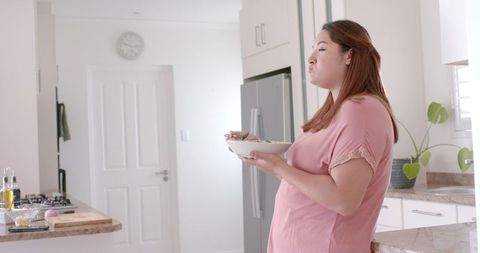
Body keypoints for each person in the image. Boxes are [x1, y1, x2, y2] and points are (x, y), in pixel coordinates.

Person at [226, 20, 398, 253]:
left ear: (349, 56)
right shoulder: (336, 111)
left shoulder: (362, 110)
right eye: (313, 49)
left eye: (322, 48)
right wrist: (261, 150)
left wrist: (279, 168)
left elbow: (344, 199)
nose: (311, 58)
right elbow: (308, 175)